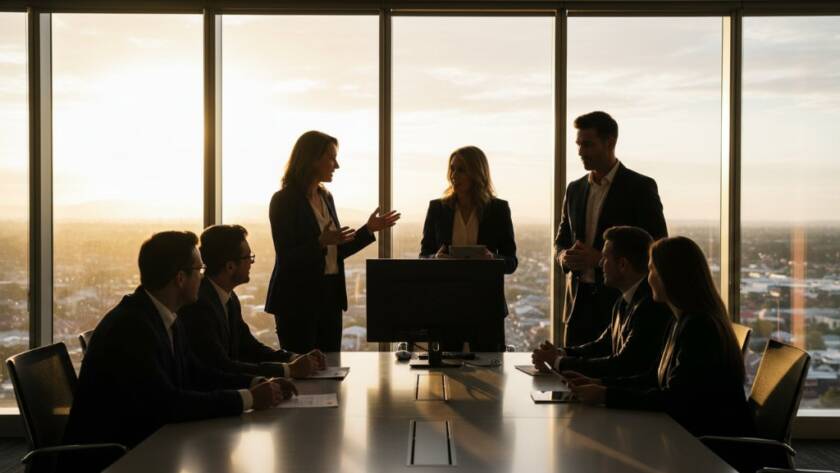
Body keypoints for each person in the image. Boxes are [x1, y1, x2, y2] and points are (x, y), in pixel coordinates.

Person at [64, 231, 296, 466]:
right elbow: (168, 404)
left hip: (150, 444)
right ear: (180, 278)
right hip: (116, 458)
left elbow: (197, 373)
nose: (203, 278)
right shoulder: (132, 327)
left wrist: (256, 383)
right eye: (199, 270)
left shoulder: (163, 316)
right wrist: (248, 399)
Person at [565, 236, 754, 438]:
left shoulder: (699, 328)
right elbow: (652, 378)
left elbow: (675, 400)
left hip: (708, 448)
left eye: (652, 270)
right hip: (688, 436)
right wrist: (599, 383)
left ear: (670, 276)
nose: (648, 278)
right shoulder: (681, 321)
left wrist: (605, 394)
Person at [265, 131, 400, 353]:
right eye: (331, 157)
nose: (336, 165)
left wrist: (368, 230)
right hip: (297, 301)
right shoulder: (283, 201)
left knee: (330, 368)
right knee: (304, 373)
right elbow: (287, 258)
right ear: (311, 159)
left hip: (329, 298)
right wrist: (319, 242)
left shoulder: (326, 198)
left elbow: (336, 251)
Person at [556, 111, 668, 347]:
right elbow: (561, 240)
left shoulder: (640, 187)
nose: (580, 152)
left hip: (621, 303)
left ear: (610, 142)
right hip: (577, 305)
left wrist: (600, 260)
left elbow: (657, 245)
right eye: (578, 144)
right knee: (570, 374)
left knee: (611, 374)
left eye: (587, 144)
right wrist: (564, 257)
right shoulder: (574, 190)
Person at [179, 224, 327, 379]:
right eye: (248, 257)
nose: (251, 263)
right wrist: (288, 370)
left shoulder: (228, 298)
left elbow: (249, 347)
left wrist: (293, 358)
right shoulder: (199, 305)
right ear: (230, 266)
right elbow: (220, 365)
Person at [532, 226, 672, 379]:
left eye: (605, 258)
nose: (600, 263)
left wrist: (558, 362)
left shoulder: (649, 308)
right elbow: (602, 346)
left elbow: (621, 365)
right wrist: (560, 353)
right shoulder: (624, 301)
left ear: (623, 265)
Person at [419, 145, 517, 351]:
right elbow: (423, 256)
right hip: (445, 306)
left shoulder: (498, 210)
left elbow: (511, 262)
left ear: (477, 172)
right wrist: (435, 259)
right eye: (452, 169)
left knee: (491, 374)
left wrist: (493, 260)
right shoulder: (437, 209)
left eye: (461, 169)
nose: (454, 175)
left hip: (487, 307)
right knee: (444, 374)